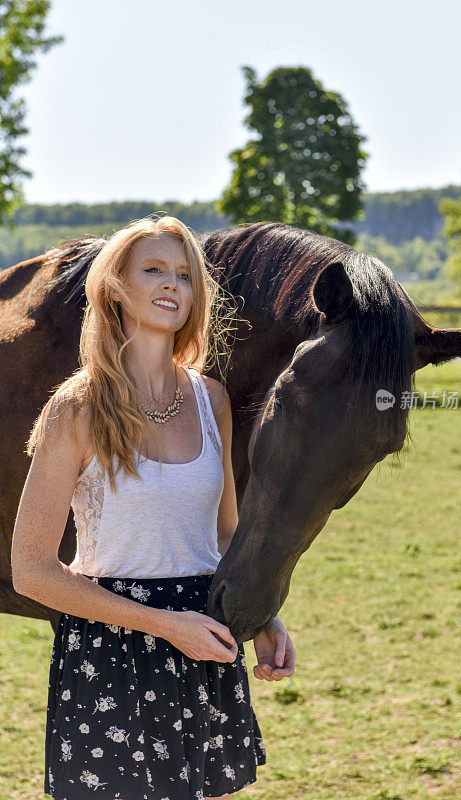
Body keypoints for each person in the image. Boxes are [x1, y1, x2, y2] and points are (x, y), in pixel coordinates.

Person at [11, 215, 296, 800]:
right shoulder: (76, 410)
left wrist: (261, 614)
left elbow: (223, 537)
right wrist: (167, 626)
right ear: (115, 285)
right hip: (110, 654)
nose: (172, 284)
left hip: (205, 638)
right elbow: (32, 571)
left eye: (185, 275)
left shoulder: (211, 399)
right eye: (154, 270)